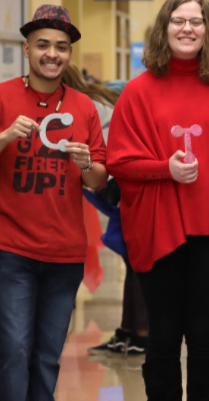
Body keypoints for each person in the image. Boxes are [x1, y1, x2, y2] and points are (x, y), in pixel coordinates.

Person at [106, 0, 209, 401]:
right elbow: (118, 162)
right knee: (164, 335)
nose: (187, 28)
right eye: (178, 20)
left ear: (207, 31)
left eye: (196, 21)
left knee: (206, 336)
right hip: (159, 229)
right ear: (163, 28)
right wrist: (165, 169)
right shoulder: (137, 93)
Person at [0, 5, 108, 401]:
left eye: (61, 47)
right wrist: (5, 137)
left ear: (69, 54)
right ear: (26, 49)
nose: (52, 54)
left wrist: (86, 163)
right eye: (43, 44)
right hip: (11, 250)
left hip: (65, 252)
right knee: (13, 352)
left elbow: (99, 179)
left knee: (46, 357)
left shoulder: (83, 107)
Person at [62, 63, 150, 356]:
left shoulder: (80, 106)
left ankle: (141, 334)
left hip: (120, 178)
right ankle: (128, 331)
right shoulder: (106, 92)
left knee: (136, 258)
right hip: (132, 175)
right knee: (131, 257)